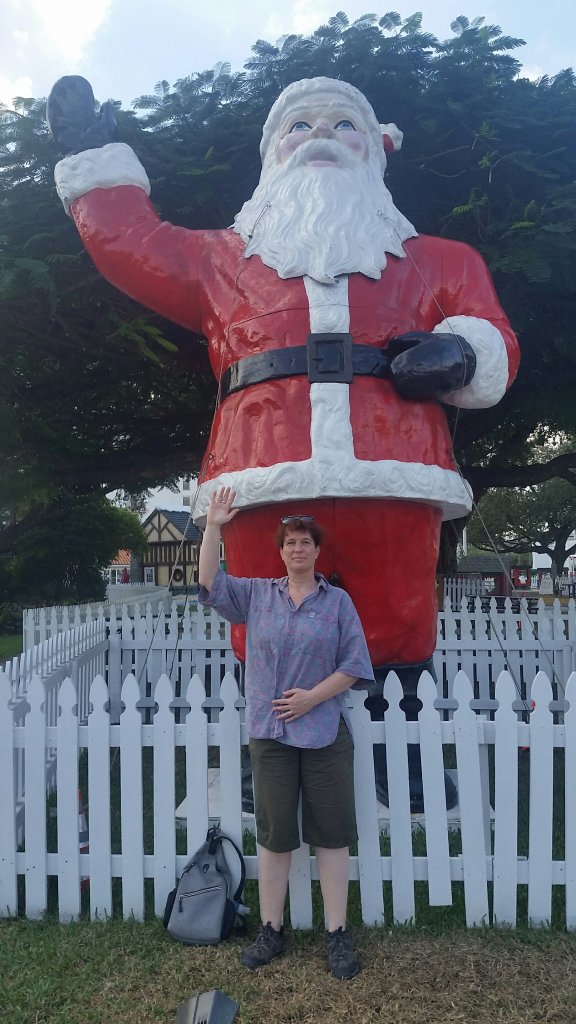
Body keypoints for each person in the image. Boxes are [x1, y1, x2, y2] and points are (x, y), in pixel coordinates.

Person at [47, 74, 520, 807]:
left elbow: (493, 336)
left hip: (396, 470)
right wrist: (90, 156)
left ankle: (399, 760)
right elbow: (131, 245)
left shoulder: (440, 260)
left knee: (397, 612)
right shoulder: (219, 260)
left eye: (342, 123)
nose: (320, 134)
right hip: (261, 469)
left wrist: (461, 353)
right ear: (273, 152)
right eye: (300, 125)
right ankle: (271, 759)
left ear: (375, 149)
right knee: (267, 618)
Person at [198, 486, 374, 978]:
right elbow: (209, 582)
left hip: (324, 733)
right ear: (280, 552)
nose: (298, 548)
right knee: (275, 837)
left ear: (317, 551)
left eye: (305, 542)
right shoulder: (257, 596)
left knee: (332, 836)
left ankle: (337, 932)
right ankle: (271, 929)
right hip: (270, 735)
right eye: (290, 542)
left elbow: (354, 664)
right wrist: (213, 526)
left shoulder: (337, 603)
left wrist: (311, 698)